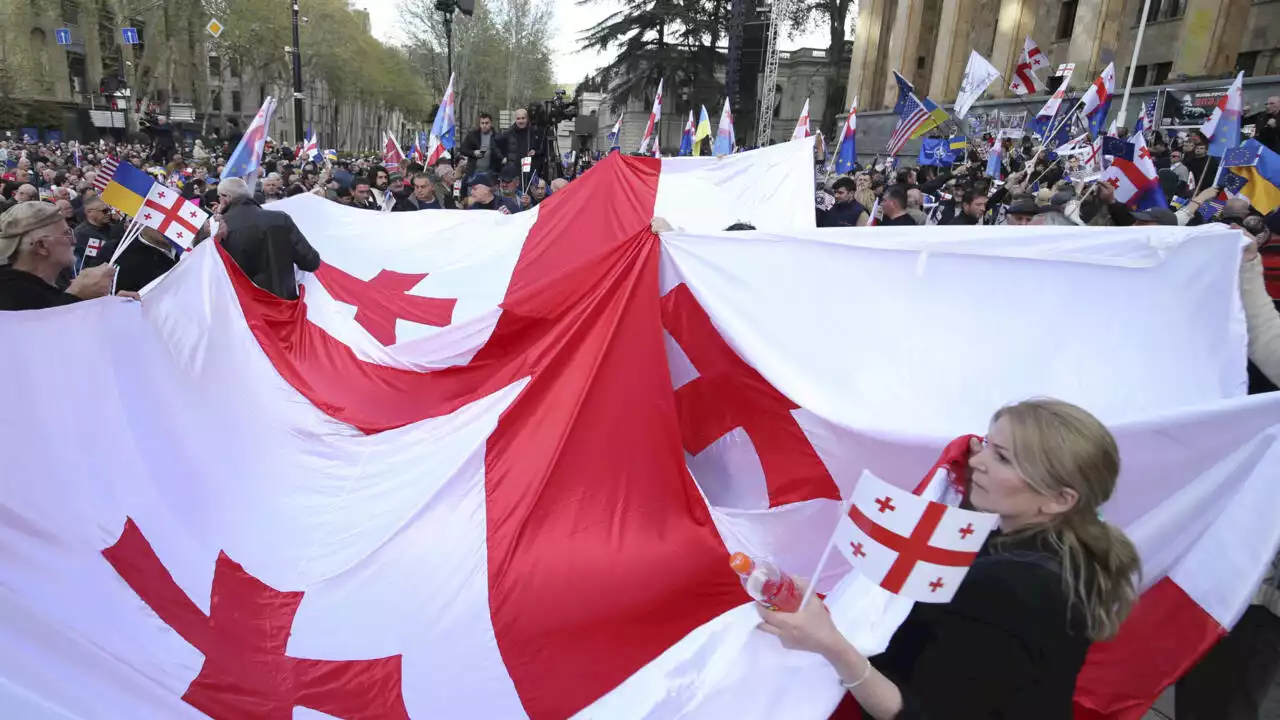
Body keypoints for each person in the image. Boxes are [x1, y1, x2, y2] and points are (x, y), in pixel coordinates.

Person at [757, 399, 1140, 719]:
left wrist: (832, 646)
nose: (976, 461)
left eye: (1003, 458)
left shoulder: (1014, 584)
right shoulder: (1050, 550)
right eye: (988, 444)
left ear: (1059, 499)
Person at [0, 202, 122, 310]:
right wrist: (76, 296)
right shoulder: (14, 300)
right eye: (66, 234)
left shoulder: (41, 287)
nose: (74, 241)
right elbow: (47, 329)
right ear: (42, 246)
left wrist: (110, 304)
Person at [216, 177, 321, 301]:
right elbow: (310, 261)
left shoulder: (219, 228)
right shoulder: (280, 219)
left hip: (241, 308)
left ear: (225, 198)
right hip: (281, 303)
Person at [502, 108, 546, 178]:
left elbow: (543, 149)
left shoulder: (534, 132)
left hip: (530, 171)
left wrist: (535, 152)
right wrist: (502, 158)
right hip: (514, 171)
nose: (521, 121)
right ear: (515, 119)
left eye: (523, 118)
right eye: (518, 118)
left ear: (527, 119)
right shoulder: (509, 133)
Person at [460, 113, 507, 177]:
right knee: (463, 185)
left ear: (491, 123)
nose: (484, 125)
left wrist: (502, 160)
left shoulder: (497, 137)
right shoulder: (472, 135)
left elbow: (502, 154)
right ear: (479, 124)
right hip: (473, 172)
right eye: (482, 123)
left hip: (491, 174)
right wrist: (473, 153)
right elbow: (463, 149)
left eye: (487, 123)